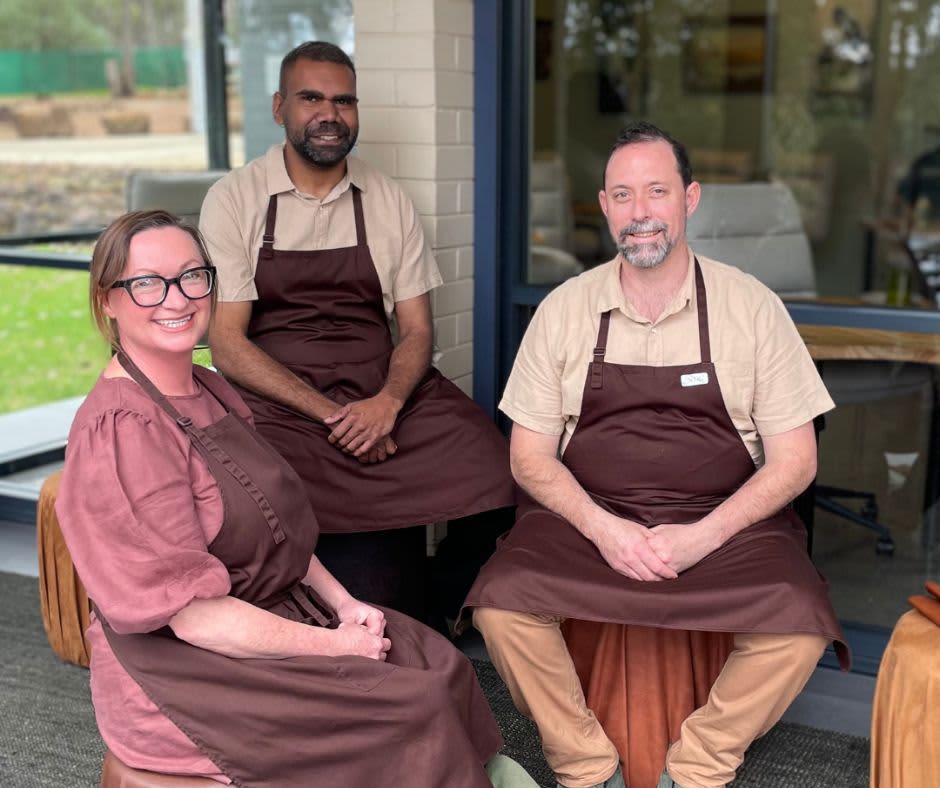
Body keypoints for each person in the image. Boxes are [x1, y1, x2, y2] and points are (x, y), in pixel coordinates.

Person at [55, 210, 533, 787]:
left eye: (191, 276)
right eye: (147, 283)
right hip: (186, 671)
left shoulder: (212, 387)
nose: (175, 298)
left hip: (261, 611)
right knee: (407, 707)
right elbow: (195, 617)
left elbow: (276, 527)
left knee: (434, 658)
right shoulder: (124, 430)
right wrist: (335, 647)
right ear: (108, 300)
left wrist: (344, 604)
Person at [464, 122, 850, 788]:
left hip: (721, 520)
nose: (640, 212)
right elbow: (529, 458)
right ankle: (586, 767)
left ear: (690, 199)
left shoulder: (752, 308)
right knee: (499, 604)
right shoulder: (564, 310)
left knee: (802, 620)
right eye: (622, 195)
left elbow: (796, 461)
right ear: (604, 206)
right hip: (588, 517)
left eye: (656, 191)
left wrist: (701, 539)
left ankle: (698, 767)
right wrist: (606, 530)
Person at [199, 40, 514, 620]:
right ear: (279, 108)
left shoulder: (387, 199)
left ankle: (446, 599)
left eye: (344, 100)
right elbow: (228, 344)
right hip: (281, 400)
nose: (329, 113)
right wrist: (335, 417)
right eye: (311, 98)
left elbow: (418, 331)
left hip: (379, 386)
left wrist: (387, 403)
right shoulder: (235, 199)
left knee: (499, 473)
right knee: (284, 499)